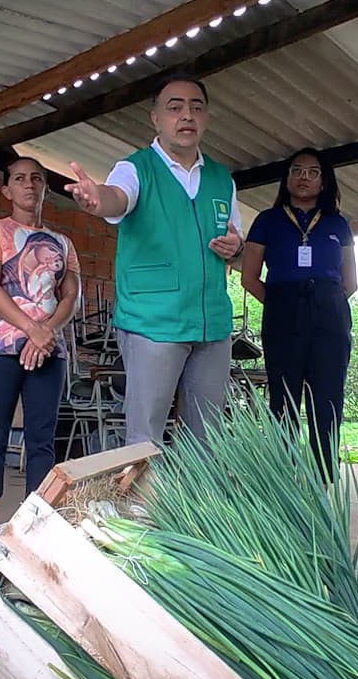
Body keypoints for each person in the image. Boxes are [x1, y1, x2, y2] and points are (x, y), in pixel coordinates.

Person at [64, 74, 244, 446]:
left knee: (209, 439)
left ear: (207, 117)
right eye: (174, 107)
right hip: (152, 322)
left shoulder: (222, 178)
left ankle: (197, 506)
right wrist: (97, 198)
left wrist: (235, 248)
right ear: (156, 119)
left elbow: (236, 240)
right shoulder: (135, 168)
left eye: (196, 107)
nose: (186, 116)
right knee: (145, 436)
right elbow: (117, 197)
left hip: (212, 324)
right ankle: (143, 506)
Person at [0, 157, 80, 529]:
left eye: (36, 178)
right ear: (7, 189)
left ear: (46, 187)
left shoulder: (64, 243)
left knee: (42, 438)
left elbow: (69, 297)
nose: (29, 184)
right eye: (19, 178)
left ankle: (34, 523)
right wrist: (33, 329)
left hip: (50, 349)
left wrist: (45, 332)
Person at [241, 148, 357, 480]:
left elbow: (351, 282)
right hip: (282, 311)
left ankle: (324, 480)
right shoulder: (267, 220)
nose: (303, 177)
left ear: (324, 181)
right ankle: (284, 481)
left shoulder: (337, 223)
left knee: (328, 397)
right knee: (283, 399)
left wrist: (323, 304)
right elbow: (249, 278)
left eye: (312, 172)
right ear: (286, 178)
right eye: (296, 170)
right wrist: (282, 306)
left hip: (330, 313)